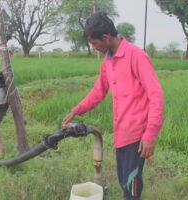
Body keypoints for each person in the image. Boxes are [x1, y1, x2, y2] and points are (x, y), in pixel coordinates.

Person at [62, 12, 164, 200]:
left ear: (106, 38)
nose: (94, 48)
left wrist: (150, 134)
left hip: (136, 137)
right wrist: (76, 110)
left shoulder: (136, 56)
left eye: (94, 44)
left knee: (132, 189)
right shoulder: (108, 60)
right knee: (124, 183)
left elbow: (156, 95)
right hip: (121, 134)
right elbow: (98, 91)